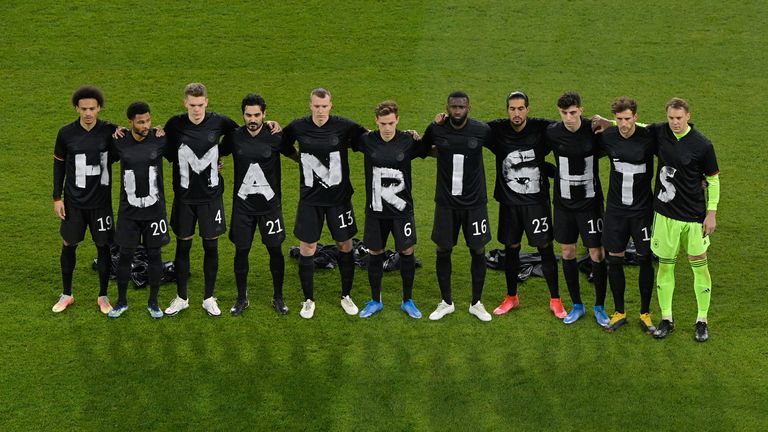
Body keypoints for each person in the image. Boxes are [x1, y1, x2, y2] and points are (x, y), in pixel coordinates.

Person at [280, 88, 368, 319]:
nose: (320, 111)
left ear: (331, 105)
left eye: (324, 106)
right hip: (310, 200)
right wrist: (296, 157)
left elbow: (371, 137)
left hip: (339, 200)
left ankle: (346, 295)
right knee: (307, 248)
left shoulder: (344, 126)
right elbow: (281, 142)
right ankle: (308, 300)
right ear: (310, 105)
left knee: (345, 246)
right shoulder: (298, 126)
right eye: (316, 106)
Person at [485, 91, 567, 319]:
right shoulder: (497, 130)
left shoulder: (542, 128)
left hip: (536, 203)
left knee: (545, 248)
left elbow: (569, 128)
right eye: (512, 109)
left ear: (528, 109)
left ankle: (556, 300)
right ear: (507, 110)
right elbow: (470, 129)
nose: (517, 113)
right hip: (509, 204)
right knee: (511, 249)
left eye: (521, 108)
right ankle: (511, 297)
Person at [163, 83, 238, 317]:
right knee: (182, 246)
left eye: (200, 104)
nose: (196, 109)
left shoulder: (220, 122)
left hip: (211, 198)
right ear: (185, 103)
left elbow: (242, 135)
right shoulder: (174, 124)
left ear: (207, 101)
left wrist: (218, 156)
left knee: (210, 247)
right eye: (192, 105)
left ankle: (208, 297)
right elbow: (164, 149)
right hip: (184, 198)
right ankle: (182, 297)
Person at [649, 98, 719, 342]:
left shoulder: (702, 145)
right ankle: (667, 318)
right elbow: (634, 126)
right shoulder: (660, 132)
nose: (674, 122)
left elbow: (713, 179)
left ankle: (702, 320)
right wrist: (610, 122)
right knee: (665, 266)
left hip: (693, 217)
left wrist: (711, 213)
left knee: (699, 267)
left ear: (688, 116)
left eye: (679, 118)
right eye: (671, 118)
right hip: (665, 216)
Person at [423, 91, 493, 322]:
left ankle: (476, 303)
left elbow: (503, 145)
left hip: (475, 205)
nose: (457, 111)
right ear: (447, 107)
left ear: (468, 108)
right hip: (446, 204)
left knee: (478, 250)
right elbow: (422, 149)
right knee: (443, 249)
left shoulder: (481, 130)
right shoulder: (437, 129)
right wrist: (429, 129)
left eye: (461, 107)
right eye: (453, 107)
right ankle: (446, 302)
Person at [355, 101, 427, 319]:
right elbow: (343, 138)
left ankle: (408, 301)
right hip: (376, 211)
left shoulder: (407, 140)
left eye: (391, 123)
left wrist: (421, 135)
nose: (387, 128)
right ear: (376, 121)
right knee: (375, 253)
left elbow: (430, 149)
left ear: (398, 120)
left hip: (402, 211)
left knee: (406, 252)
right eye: (383, 123)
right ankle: (375, 300)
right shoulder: (367, 140)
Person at [52, 85, 119, 314]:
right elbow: (59, 165)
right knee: (69, 245)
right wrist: (57, 197)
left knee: (104, 247)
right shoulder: (65, 133)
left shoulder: (110, 131)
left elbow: (133, 148)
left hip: (101, 204)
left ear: (99, 108)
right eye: (83, 109)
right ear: (76, 109)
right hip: (74, 203)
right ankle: (66, 294)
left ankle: (103, 296)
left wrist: (156, 131)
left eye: (92, 108)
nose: (88, 113)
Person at [220, 94, 288, 316]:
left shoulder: (276, 136)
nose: (253, 119)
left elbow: (297, 154)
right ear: (243, 115)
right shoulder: (234, 137)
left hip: (270, 207)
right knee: (242, 251)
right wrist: (217, 162)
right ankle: (242, 298)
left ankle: (278, 297)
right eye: (248, 115)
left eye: (257, 115)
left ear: (264, 114)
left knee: (275, 251)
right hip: (243, 208)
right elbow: (217, 152)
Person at [545, 91, 609, 326]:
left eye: (573, 113)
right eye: (564, 113)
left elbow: (622, 138)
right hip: (563, 205)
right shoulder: (552, 132)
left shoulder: (594, 131)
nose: (569, 118)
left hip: (590, 205)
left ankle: (600, 307)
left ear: (581, 110)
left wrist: (610, 123)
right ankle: (577, 306)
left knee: (597, 253)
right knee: (568, 252)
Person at [595, 97, 656, 333]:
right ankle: (619, 311)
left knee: (644, 259)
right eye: (619, 119)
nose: (623, 124)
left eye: (627, 119)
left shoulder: (649, 137)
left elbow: (674, 142)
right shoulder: (608, 137)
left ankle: (645, 313)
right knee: (615, 259)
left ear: (636, 118)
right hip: (616, 212)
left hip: (642, 212)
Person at [107, 102, 170, 319]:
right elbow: (100, 136)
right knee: (125, 256)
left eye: (148, 120)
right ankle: (121, 301)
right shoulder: (119, 141)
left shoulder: (160, 138)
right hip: (129, 212)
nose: (146, 125)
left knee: (155, 255)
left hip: (155, 211)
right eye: (140, 122)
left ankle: (153, 302)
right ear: (131, 122)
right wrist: (114, 128)